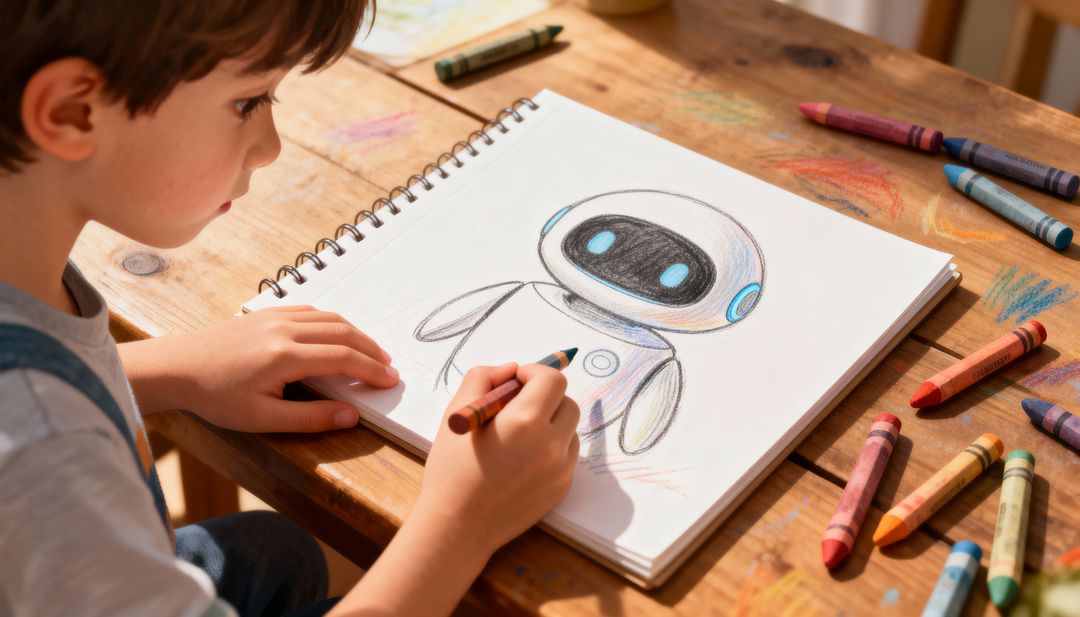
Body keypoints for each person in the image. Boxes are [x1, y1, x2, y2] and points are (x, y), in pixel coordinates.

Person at [0, 2, 581, 616]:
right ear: (72, 111)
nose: (270, 147)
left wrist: (168, 368)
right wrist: (465, 519)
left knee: (274, 552)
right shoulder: (43, 454)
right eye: (249, 102)